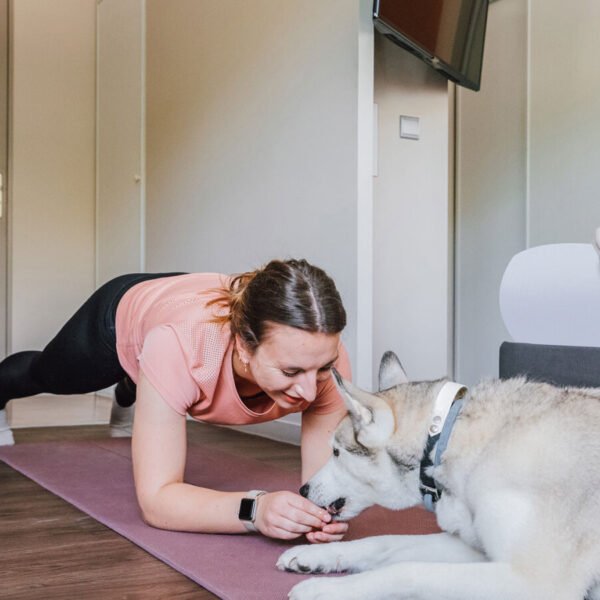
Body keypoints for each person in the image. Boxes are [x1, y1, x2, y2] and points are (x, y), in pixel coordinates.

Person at [0, 259, 351, 542]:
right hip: (123, 310)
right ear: (244, 346)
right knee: (48, 375)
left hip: (176, 311)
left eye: (322, 368)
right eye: (290, 372)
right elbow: (157, 502)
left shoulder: (321, 359)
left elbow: (321, 483)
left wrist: (318, 517)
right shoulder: (179, 347)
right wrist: (255, 510)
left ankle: (139, 384)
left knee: (162, 375)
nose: (308, 391)